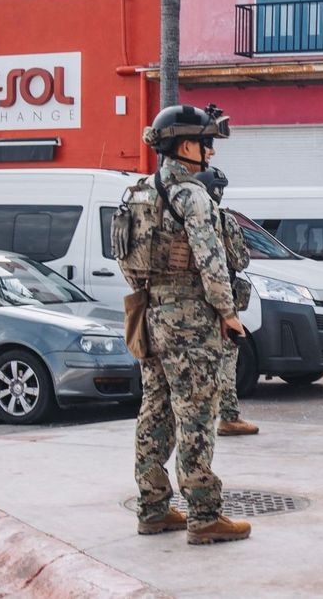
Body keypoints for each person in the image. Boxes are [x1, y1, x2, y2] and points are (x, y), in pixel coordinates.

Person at [112, 104, 252, 545]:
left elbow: (126, 259)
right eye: (206, 142)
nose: (211, 151)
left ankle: (153, 508)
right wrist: (228, 314)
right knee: (197, 413)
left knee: (154, 410)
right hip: (191, 321)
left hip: (150, 315)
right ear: (186, 146)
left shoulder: (140, 194)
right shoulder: (193, 197)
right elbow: (212, 263)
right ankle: (204, 515)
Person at [194, 167, 259, 437]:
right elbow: (240, 260)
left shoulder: (181, 216)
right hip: (221, 301)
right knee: (227, 358)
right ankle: (229, 417)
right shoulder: (223, 220)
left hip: (188, 302)